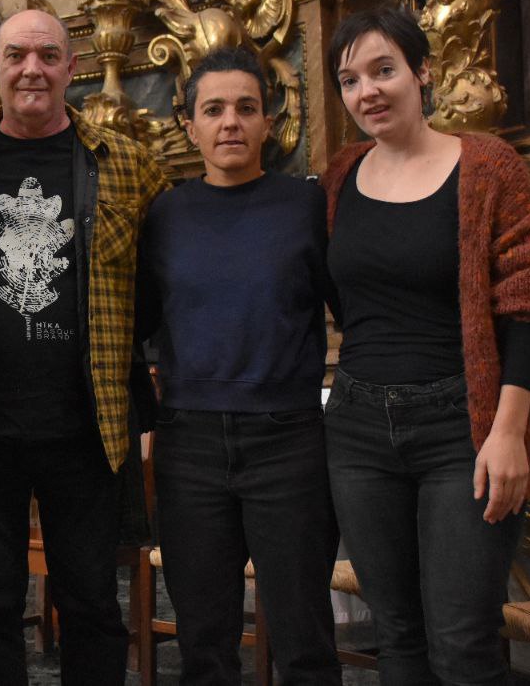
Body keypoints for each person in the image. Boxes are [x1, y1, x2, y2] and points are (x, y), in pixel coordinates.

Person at [0, 8, 169, 685]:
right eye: (16, 55)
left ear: (72, 68)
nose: (32, 70)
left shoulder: (128, 164)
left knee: (92, 604)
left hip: (87, 428)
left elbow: (165, 284)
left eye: (48, 55)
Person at [320, 6, 530, 684]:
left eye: (384, 70)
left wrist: (507, 430)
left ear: (423, 72)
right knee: (396, 635)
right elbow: (340, 295)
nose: (368, 91)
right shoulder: (340, 177)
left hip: (461, 425)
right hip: (357, 429)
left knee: (463, 642)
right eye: (350, 80)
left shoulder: (488, 166)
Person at [136, 47, 341, 685]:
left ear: (268, 123)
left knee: (304, 638)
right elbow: (137, 323)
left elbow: (355, 308)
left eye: (246, 108)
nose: (231, 122)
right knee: (203, 642)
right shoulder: (165, 214)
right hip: (189, 443)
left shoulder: (307, 206)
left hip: (289, 441)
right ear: (189, 126)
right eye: (214, 110)